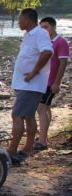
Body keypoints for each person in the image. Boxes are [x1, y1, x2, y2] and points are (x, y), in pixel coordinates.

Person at [8, 8, 53, 164]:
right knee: (28, 116)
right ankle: (28, 148)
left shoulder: (40, 33)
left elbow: (47, 52)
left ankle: (12, 151)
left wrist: (34, 73)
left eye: (20, 19)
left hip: (31, 84)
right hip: (25, 84)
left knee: (17, 115)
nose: (19, 22)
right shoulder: (28, 35)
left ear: (28, 19)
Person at [35, 17, 69, 150]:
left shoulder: (61, 42)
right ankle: (44, 137)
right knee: (46, 108)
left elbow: (63, 63)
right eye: (41, 27)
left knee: (41, 108)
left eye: (46, 27)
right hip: (42, 81)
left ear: (53, 27)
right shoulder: (44, 41)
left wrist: (57, 83)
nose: (43, 30)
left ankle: (42, 142)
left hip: (50, 82)